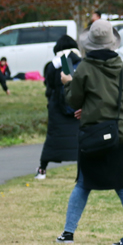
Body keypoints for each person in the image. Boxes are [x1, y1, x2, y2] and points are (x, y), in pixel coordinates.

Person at [56, 19, 123, 243]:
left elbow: (74, 100)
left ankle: (68, 233)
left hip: (93, 135)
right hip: (121, 133)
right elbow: (120, 98)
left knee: (83, 184)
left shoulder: (84, 68)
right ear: (112, 42)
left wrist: (67, 81)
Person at [37, 35, 82, 180]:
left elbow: (49, 85)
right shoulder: (80, 63)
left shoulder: (55, 64)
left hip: (57, 109)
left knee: (52, 140)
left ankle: (42, 169)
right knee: (79, 142)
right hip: (76, 108)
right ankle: (80, 173)